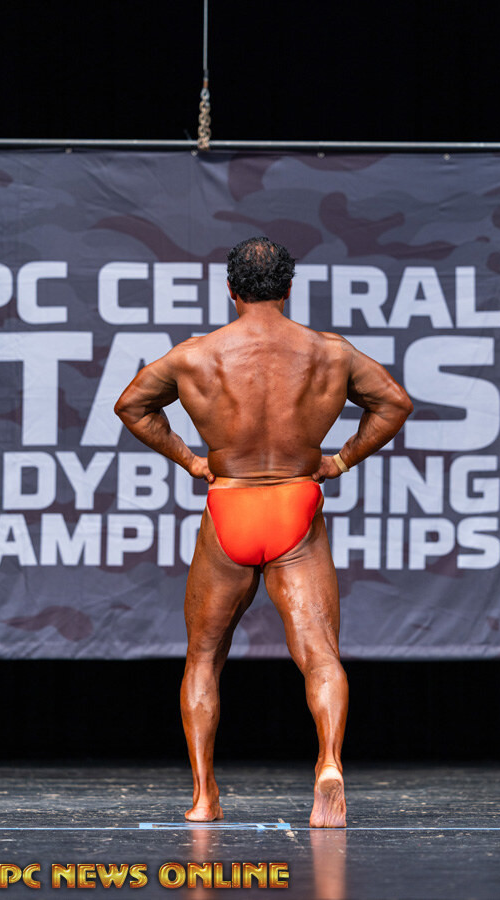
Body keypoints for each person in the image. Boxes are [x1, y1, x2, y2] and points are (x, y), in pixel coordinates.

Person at [114, 236, 413, 828]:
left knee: (203, 658)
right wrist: (340, 461)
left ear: (230, 289)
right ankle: (329, 762)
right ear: (289, 288)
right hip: (295, 507)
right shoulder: (330, 353)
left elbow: (131, 407)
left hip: (230, 506)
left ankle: (204, 797)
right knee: (320, 656)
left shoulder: (195, 356)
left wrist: (190, 460)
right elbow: (394, 404)